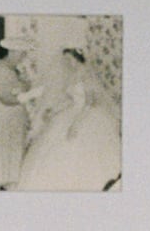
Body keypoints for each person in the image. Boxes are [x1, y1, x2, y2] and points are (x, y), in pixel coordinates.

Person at [15, 47, 122, 192]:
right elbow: (71, 101)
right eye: (65, 60)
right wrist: (55, 111)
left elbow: (90, 103)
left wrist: (76, 125)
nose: (66, 63)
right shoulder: (71, 75)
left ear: (77, 58)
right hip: (71, 113)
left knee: (77, 148)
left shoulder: (87, 76)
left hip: (86, 115)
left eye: (69, 59)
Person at [0, 45, 32, 189]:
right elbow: (5, 98)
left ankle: (9, 186)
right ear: (12, 51)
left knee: (10, 157)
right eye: (21, 54)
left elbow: (22, 87)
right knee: (0, 158)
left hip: (11, 120)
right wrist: (28, 96)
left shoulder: (12, 70)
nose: (23, 58)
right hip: (2, 119)